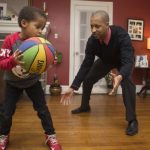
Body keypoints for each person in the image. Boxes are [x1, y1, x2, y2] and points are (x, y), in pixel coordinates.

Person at [61, 10, 138, 136]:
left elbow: (128, 61)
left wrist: (120, 75)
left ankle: (132, 120)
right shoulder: (92, 41)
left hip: (123, 61)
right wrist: (73, 87)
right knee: (88, 79)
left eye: (97, 26)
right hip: (106, 61)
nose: (93, 30)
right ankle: (85, 106)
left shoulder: (121, 35)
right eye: (91, 26)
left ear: (107, 25)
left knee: (127, 83)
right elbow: (86, 65)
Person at [0, 6, 61, 150]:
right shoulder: (10, 40)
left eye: (42, 28)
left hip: (32, 82)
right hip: (12, 83)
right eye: (38, 27)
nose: (41, 31)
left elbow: (42, 64)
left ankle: (51, 135)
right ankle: (3, 136)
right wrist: (13, 61)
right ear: (24, 23)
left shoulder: (41, 42)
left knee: (43, 110)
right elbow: (1, 64)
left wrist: (49, 63)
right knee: (6, 112)